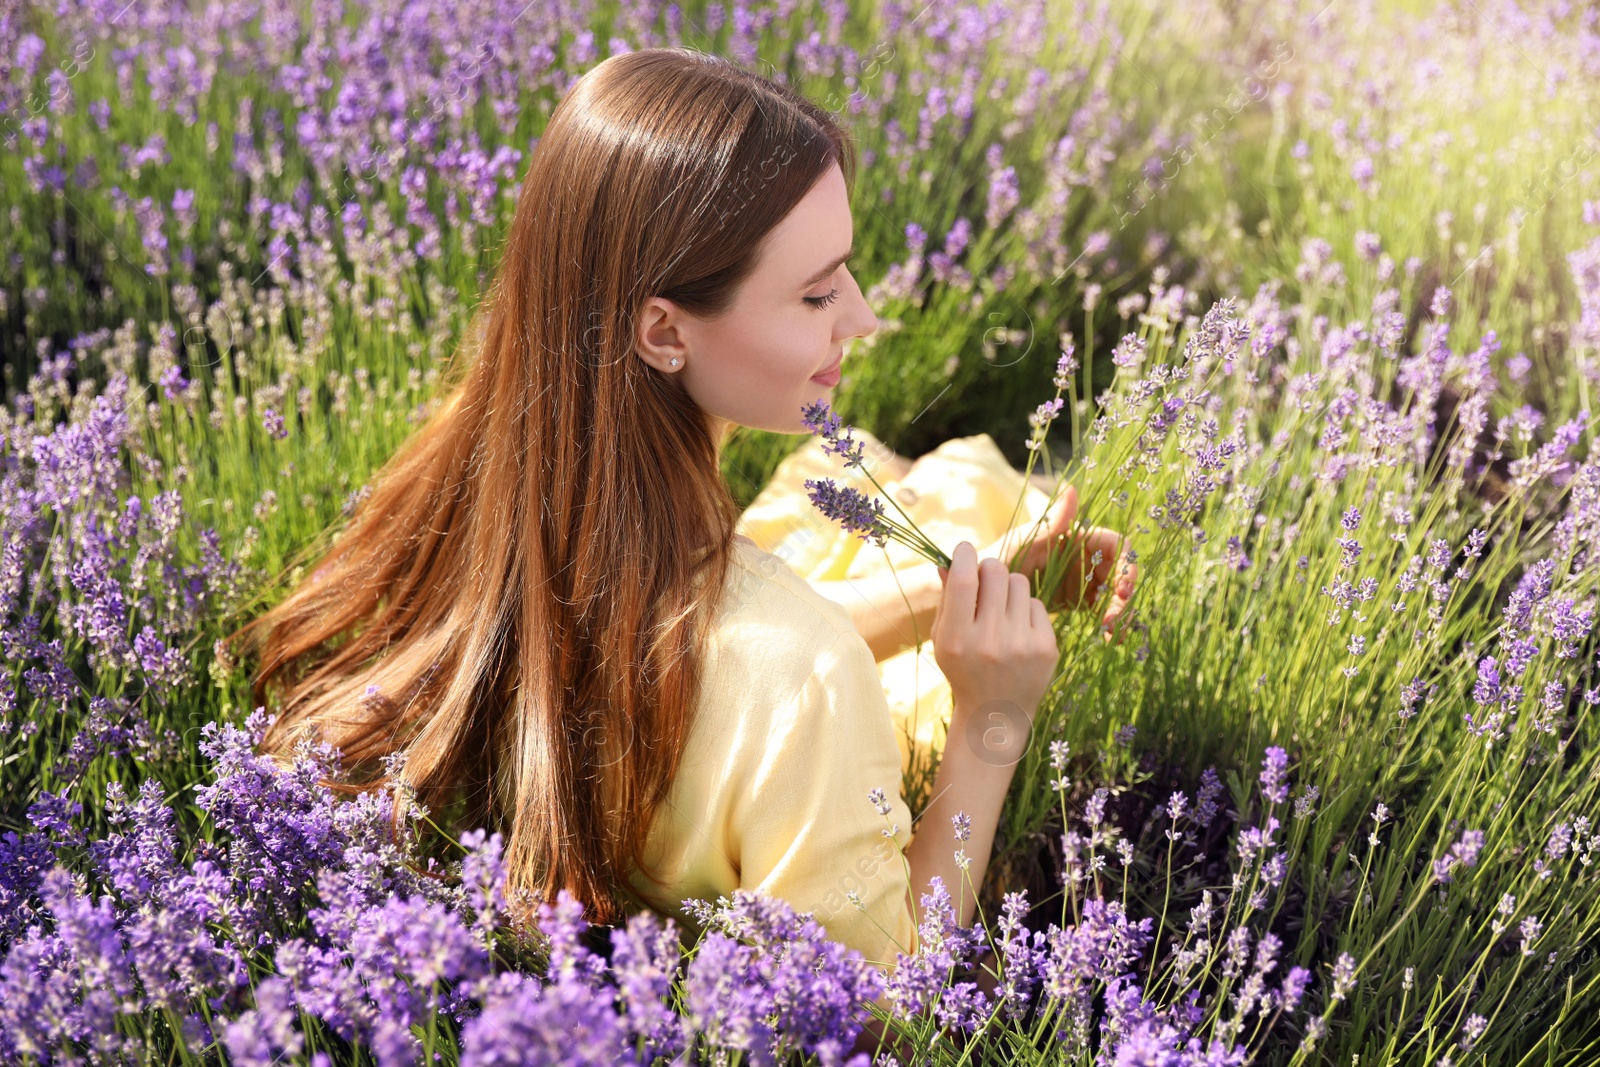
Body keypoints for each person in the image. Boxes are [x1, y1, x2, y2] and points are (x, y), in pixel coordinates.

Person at [225, 45, 1133, 1006]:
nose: (862, 318)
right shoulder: (805, 683)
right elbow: (877, 1016)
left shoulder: (486, 481)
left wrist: (936, 596)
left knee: (892, 481)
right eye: (819, 292)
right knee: (946, 483)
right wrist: (992, 725)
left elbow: (700, 649)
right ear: (663, 332)